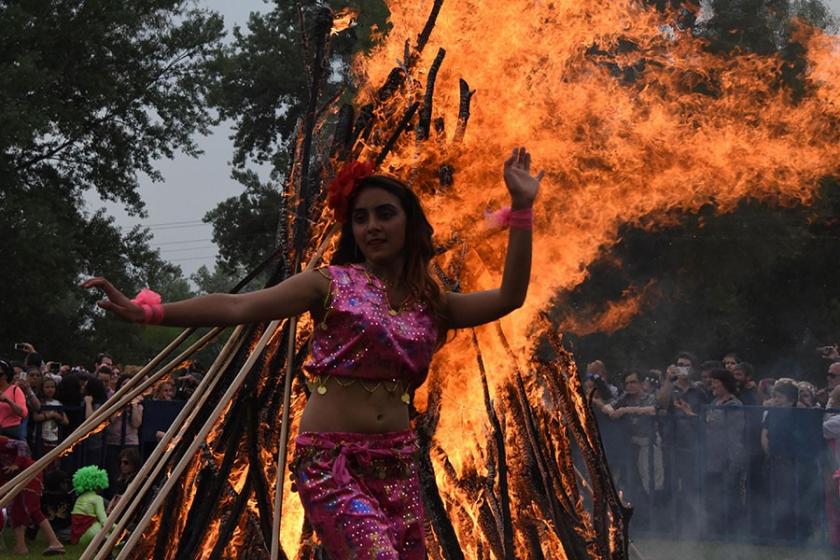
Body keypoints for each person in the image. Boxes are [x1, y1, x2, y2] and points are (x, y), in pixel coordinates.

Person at [83, 147, 543, 559]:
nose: (372, 227)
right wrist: (150, 313)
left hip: (397, 459)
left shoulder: (432, 303)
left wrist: (521, 209)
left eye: (385, 214)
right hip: (331, 461)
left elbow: (510, 297)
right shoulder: (331, 283)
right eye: (361, 218)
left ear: (411, 223)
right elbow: (238, 305)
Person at [0, 436, 65, 555]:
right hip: (17, 480)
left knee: (31, 508)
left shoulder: (1, 441)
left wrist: (16, 464)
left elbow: (22, 445)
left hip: (29, 473)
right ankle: (21, 547)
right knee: (16, 510)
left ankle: (55, 543)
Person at [704, 368, 746, 536]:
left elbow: (729, 429)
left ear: (724, 383)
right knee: (713, 494)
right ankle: (716, 529)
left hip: (729, 456)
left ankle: (732, 532)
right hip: (713, 456)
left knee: (729, 494)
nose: (713, 385)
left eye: (716, 381)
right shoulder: (714, 402)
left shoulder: (734, 405)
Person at [70, 465, 110, 546]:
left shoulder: (79, 498)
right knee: (106, 530)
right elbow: (104, 521)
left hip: (78, 539)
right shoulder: (97, 498)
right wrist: (120, 528)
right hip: (92, 533)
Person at [31, 377, 69, 461]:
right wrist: (51, 415)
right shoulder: (39, 402)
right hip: (41, 438)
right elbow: (35, 417)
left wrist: (57, 416)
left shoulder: (58, 403)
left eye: (52, 387)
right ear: (42, 388)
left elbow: (66, 421)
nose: (50, 389)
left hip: (54, 439)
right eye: (47, 387)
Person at [0, 359, 28, 440]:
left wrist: (8, 401)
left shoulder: (15, 390)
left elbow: (23, 413)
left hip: (11, 431)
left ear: (6, 375)